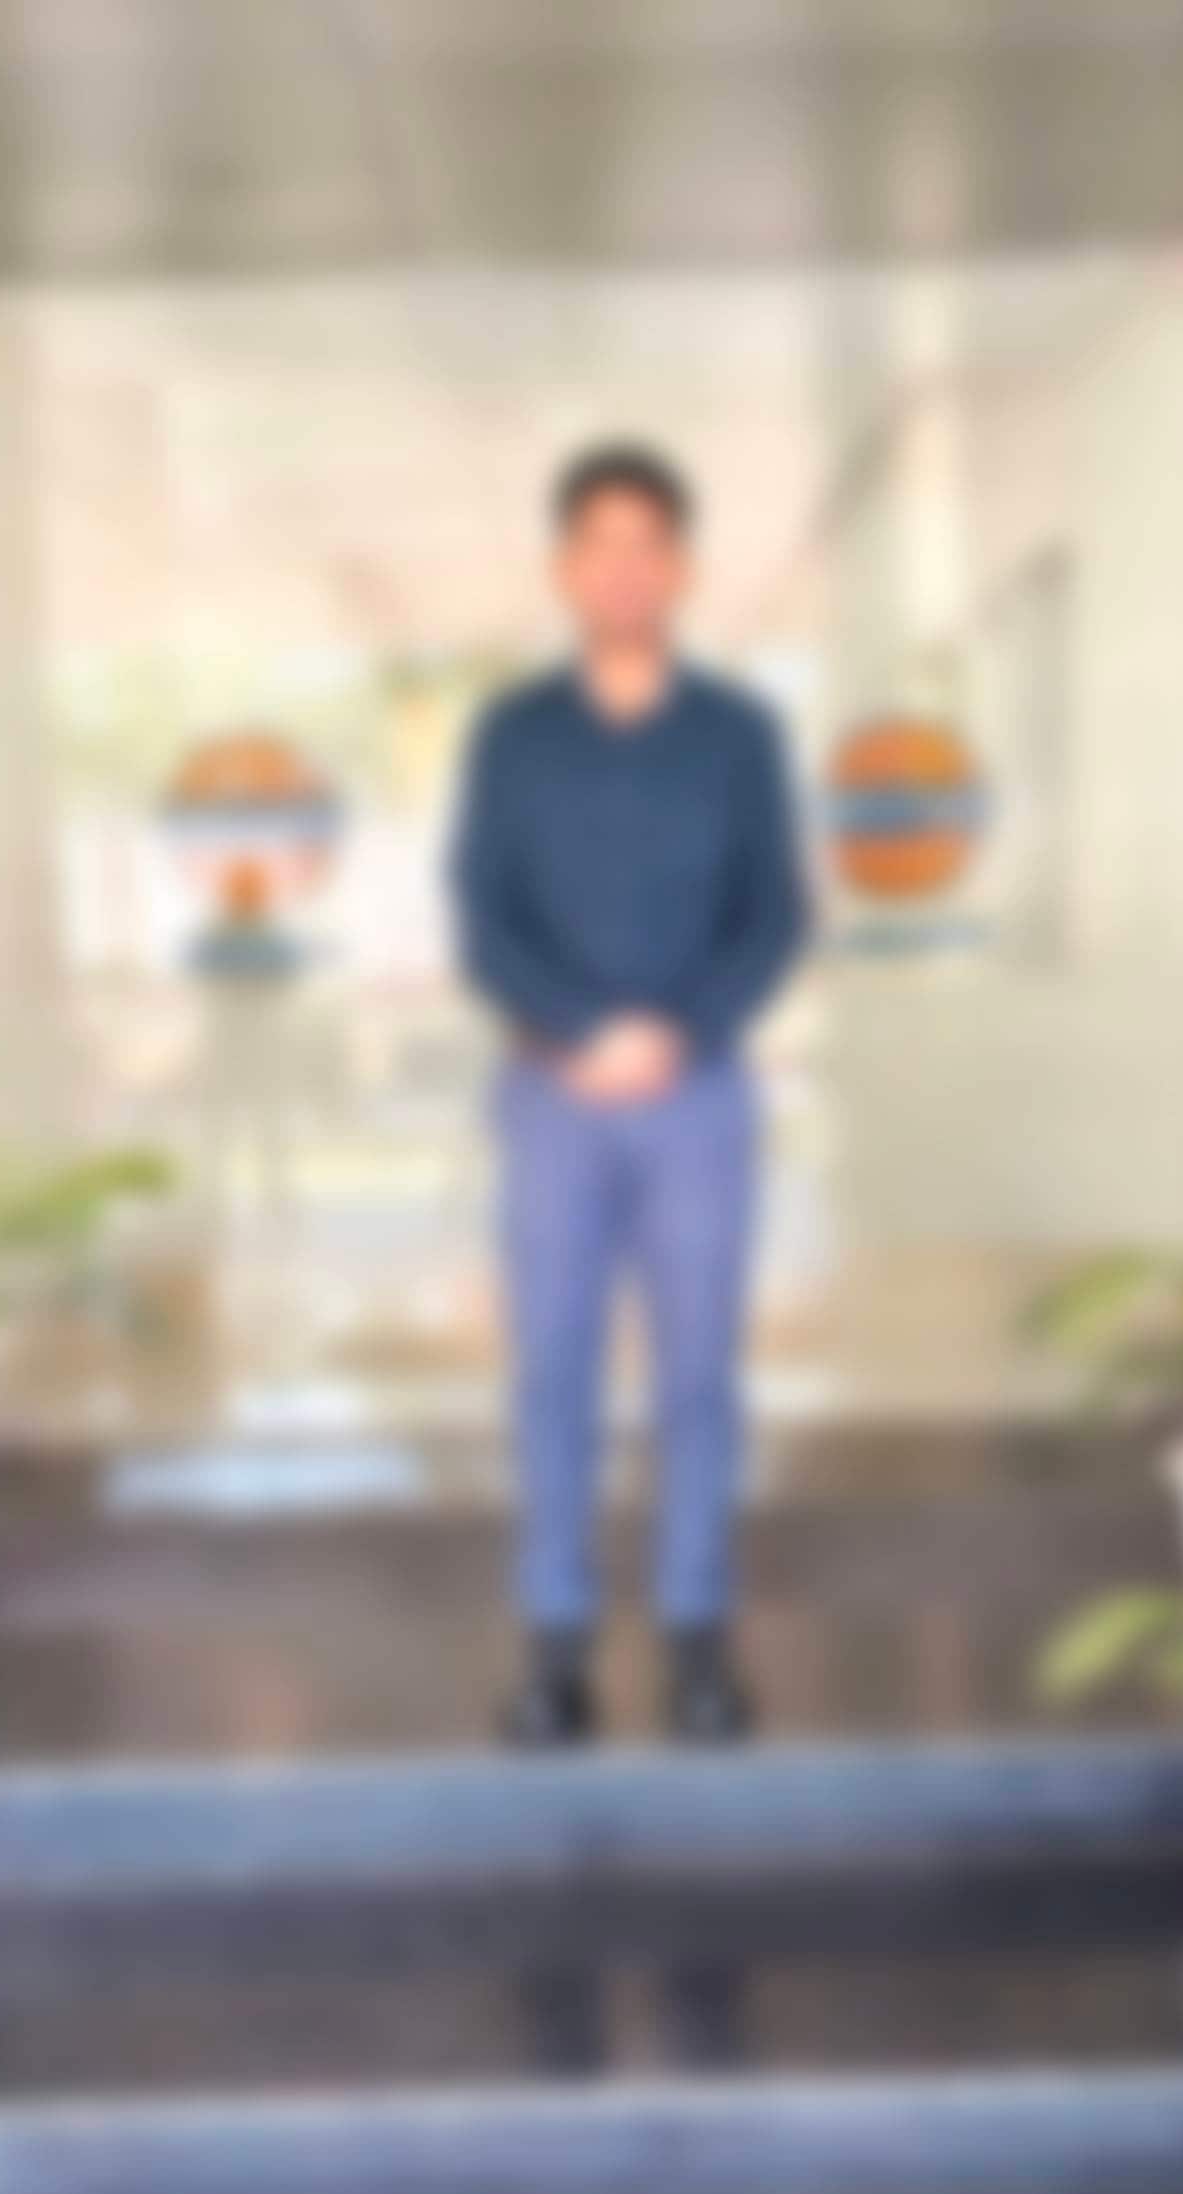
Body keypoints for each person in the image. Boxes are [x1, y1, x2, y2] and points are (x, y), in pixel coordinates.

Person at [453, 442, 810, 1747]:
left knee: (698, 1379)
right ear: (564, 568)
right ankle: (556, 1652)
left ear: (681, 568)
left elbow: (776, 915)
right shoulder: (513, 735)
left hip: (698, 1099)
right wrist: (580, 1031)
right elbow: (483, 921)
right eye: (597, 544)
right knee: (552, 1373)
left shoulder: (739, 735)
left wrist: (679, 1032)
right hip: (550, 1101)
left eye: (646, 543)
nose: (622, 568)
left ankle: (699, 1645)